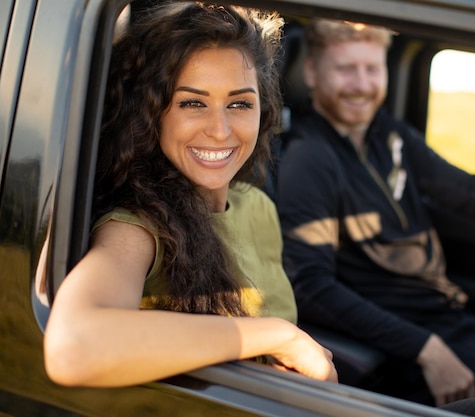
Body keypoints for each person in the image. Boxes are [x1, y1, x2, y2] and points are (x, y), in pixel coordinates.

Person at [275, 17, 475, 416]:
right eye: (346, 69)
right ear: (311, 71)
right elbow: (310, 286)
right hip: (411, 349)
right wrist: (426, 350)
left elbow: (473, 195)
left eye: (372, 68)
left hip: (458, 326)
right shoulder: (309, 159)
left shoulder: (390, 136)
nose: (362, 84)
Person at [43, 1, 337, 387]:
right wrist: (276, 335)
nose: (220, 129)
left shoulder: (258, 207)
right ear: (152, 114)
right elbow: (73, 347)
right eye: (192, 103)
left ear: (262, 111)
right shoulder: (138, 228)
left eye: (239, 103)